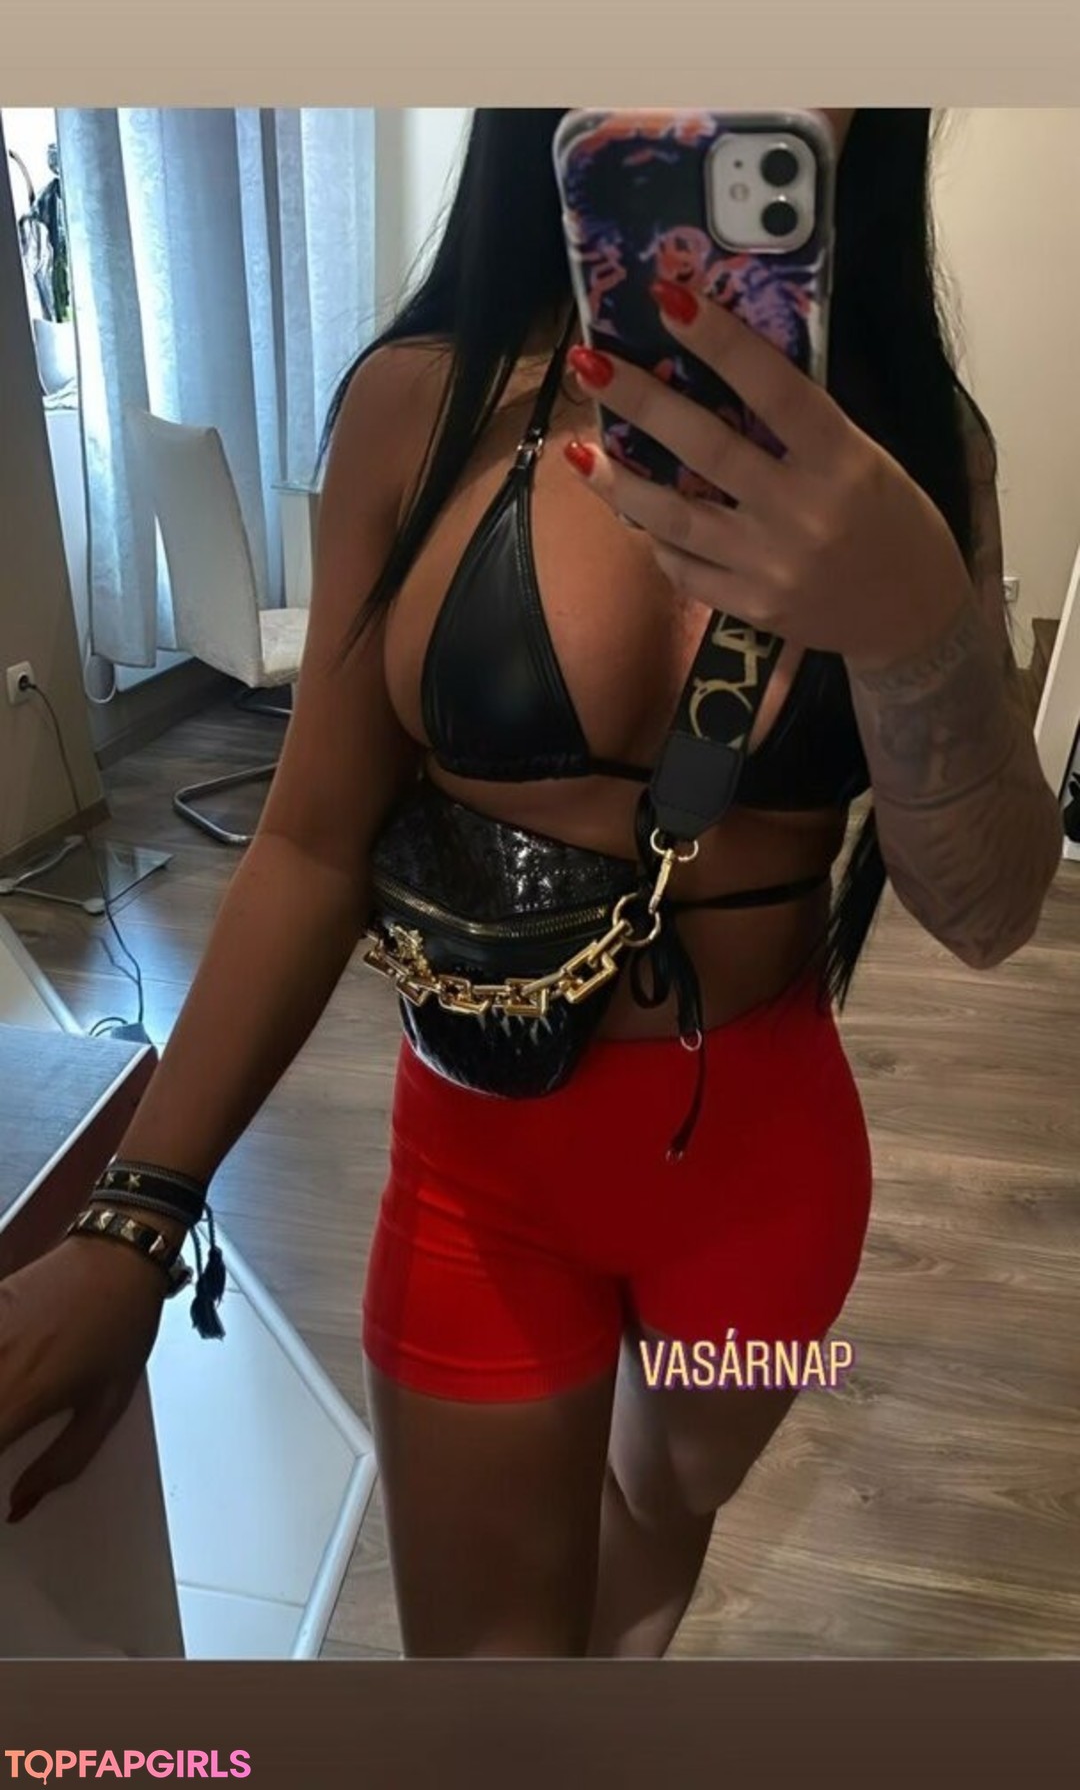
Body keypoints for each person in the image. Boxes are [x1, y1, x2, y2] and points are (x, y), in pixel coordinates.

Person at [0, 108, 1062, 1660]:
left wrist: (917, 626)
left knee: (668, 1501)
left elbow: (990, 910)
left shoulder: (920, 451)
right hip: (478, 1182)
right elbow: (309, 843)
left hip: (768, 1198)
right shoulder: (416, 409)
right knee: (490, 1682)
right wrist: (133, 1214)